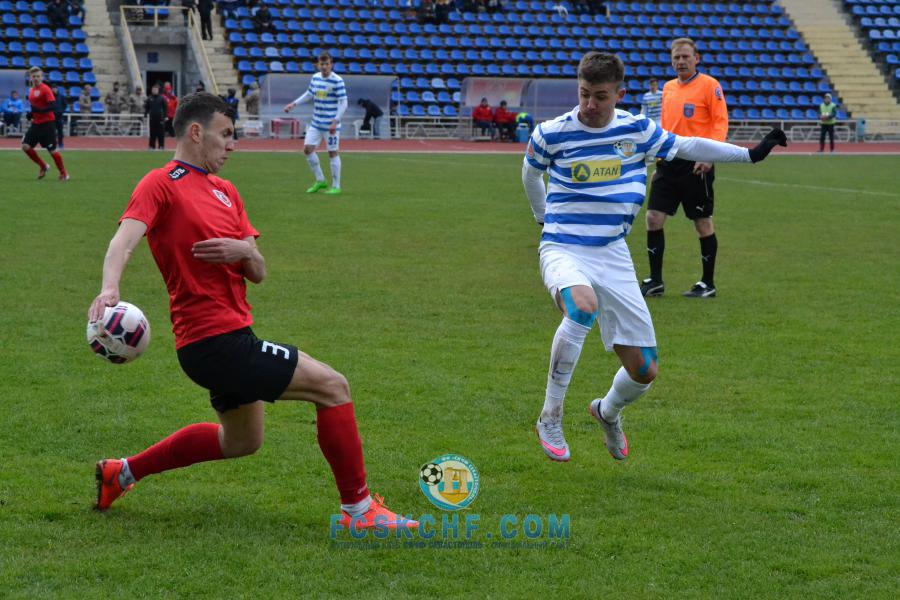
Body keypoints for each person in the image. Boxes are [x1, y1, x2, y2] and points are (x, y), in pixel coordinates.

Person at [88, 92, 415, 531]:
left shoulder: (227, 192)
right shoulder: (160, 183)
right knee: (333, 386)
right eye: (226, 134)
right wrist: (110, 287)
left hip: (231, 335)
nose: (233, 144)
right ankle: (359, 511)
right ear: (196, 132)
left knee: (242, 440)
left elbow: (258, 272)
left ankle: (122, 472)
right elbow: (124, 241)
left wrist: (243, 251)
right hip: (212, 341)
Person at [522, 51, 785, 463]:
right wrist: (542, 218)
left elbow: (688, 145)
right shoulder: (551, 133)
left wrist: (749, 154)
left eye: (600, 97)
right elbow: (530, 173)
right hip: (564, 247)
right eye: (584, 94)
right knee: (581, 308)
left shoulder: (637, 131)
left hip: (613, 253)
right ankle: (550, 416)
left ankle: (607, 412)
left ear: (619, 94)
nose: (590, 104)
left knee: (644, 369)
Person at [642, 37, 729, 300]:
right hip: (669, 161)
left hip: (697, 163)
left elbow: (720, 122)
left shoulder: (710, 86)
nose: (681, 61)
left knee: (702, 222)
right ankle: (655, 281)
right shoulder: (668, 88)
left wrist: (710, 155)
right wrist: (659, 160)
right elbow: (666, 127)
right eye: (676, 57)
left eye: (685, 57)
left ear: (696, 58)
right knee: (653, 217)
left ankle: (707, 283)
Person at [283, 52, 347, 195]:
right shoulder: (315, 78)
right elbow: (309, 94)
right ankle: (320, 180)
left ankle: (336, 186)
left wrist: (336, 120)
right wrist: (293, 104)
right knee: (307, 149)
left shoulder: (337, 81)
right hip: (316, 123)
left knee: (332, 153)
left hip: (331, 124)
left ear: (331, 65)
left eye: (327, 64)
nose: (324, 67)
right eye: (322, 64)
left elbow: (344, 102)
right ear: (318, 65)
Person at [21, 67, 69, 181]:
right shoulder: (31, 90)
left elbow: (52, 105)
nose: (36, 78)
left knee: (52, 150)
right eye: (34, 76)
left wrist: (39, 111)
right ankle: (43, 166)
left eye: (38, 76)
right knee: (25, 146)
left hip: (48, 124)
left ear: (42, 77)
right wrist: (31, 114)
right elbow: (35, 107)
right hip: (36, 123)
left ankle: (64, 174)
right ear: (30, 78)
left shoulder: (46, 89)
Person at [144, 84, 167, 149]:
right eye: (153, 89)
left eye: (155, 89)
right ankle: (151, 146)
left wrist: (165, 116)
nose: (154, 91)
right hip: (152, 118)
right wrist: (145, 115)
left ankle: (161, 146)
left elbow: (165, 108)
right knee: (152, 132)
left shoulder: (162, 98)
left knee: (161, 133)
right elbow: (147, 108)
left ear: (158, 90)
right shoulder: (149, 98)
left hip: (160, 118)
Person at [50, 83, 68, 149]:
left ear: (57, 89)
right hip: (52, 117)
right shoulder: (49, 96)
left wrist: (61, 111)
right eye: (52, 88)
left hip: (59, 117)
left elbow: (65, 105)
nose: (54, 89)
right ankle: (53, 143)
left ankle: (61, 144)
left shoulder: (61, 96)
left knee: (60, 131)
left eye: (55, 88)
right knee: (52, 132)